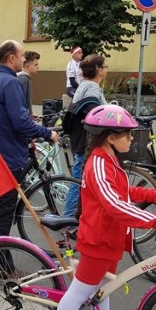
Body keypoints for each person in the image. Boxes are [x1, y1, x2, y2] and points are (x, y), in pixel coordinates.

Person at [53, 104, 156, 310]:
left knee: (102, 291)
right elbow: (116, 205)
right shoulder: (98, 163)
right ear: (110, 138)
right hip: (99, 242)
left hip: (110, 240)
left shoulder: (109, 159)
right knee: (77, 294)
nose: (131, 139)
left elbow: (124, 191)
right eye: (127, 134)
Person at [0, 40, 57, 273]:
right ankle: (4, 267)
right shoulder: (11, 83)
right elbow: (20, 120)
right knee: (4, 214)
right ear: (12, 57)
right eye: (22, 56)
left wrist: (26, 134)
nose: (24, 60)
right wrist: (46, 133)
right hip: (8, 157)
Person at [62, 53, 109, 217]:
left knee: (81, 178)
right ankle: (68, 219)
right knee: (79, 179)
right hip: (86, 139)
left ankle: (76, 216)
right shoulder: (92, 88)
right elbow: (94, 115)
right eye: (105, 67)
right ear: (98, 69)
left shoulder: (84, 84)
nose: (106, 70)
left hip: (80, 138)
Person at [16, 50, 40, 119]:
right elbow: (22, 101)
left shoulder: (22, 77)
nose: (38, 67)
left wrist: (30, 114)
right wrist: (28, 116)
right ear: (27, 66)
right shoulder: (24, 79)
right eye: (36, 65)